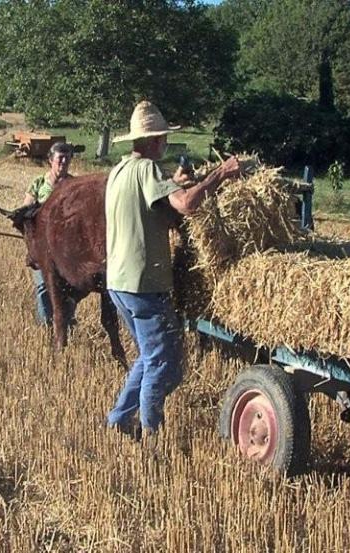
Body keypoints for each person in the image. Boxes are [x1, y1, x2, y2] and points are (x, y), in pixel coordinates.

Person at [105, 101, 240, 435]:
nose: (164, 142)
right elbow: (187, 205)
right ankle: (152, 436)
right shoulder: (147, 170)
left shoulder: (120, 171)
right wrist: (219, 175)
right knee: (164, 365)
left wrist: (175, 182)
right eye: (163, 137)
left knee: (149, 357)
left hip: (119, 282)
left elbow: (156, 205)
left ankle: (119, 420)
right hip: (143, 284)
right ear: (154, 141)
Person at [23, 141, 75, 325]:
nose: (64, 162)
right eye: (60, 158)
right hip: (43, 247)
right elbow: (26, 213)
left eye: (67, 158)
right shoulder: (38, 184)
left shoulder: (74, 186)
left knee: (69, 288)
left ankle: (66, 324)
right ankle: (46, 325)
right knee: (44, 286)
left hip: (67, 249)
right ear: (50, 161)